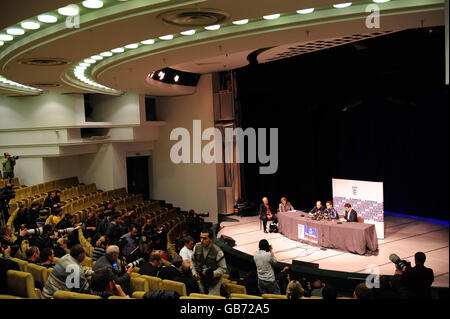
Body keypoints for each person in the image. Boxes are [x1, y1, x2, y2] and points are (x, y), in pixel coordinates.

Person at [191, 227, 227, 296]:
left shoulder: (218, 251)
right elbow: (192, 261)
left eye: (204, 238)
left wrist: (211, 274)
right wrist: (194, 272)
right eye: (201, 238)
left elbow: (223, 269)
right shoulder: (197, 247)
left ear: (211, 239)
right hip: (202, 279)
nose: (201, 240)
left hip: (214, 281)